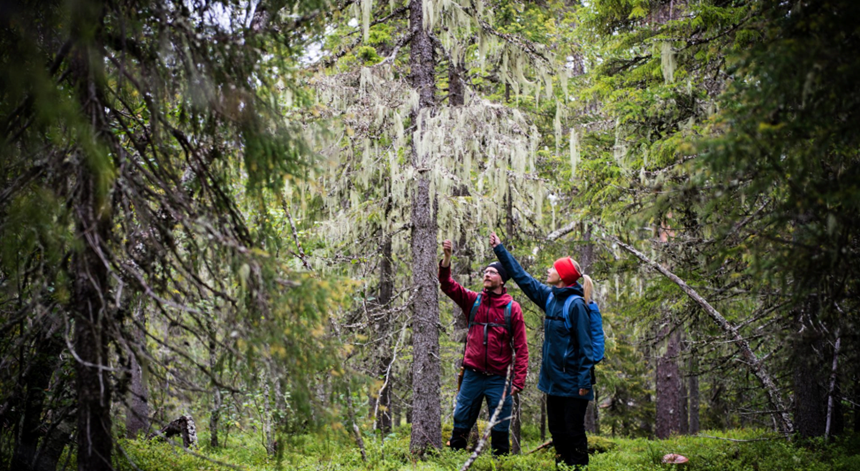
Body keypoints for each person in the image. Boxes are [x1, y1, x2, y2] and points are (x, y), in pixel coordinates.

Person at [490, 232, 596, 469]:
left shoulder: (576, 305)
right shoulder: (550, 298)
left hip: (573, 383)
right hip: (553, 382)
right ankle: (563, 467)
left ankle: (579, 467)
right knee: (557, 431)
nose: (549, 270)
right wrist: (500, 249)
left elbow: (586, 347)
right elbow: (521, 277)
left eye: (553, 268)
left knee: (574, 432)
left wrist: (584, 382)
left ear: (563, 276)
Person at [439, 239, 529, 455]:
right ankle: (455, 462)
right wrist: (447, 258)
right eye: (486, 272)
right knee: (461, 420)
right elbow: (447, 285)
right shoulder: (474, 301)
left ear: (502, 280)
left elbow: (521, 347)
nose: (487, 275)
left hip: (499, 378)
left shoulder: (512, 308)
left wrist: (518, 380)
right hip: (472, 375)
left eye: (492, 272)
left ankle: (501, 464)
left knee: (500, 425)